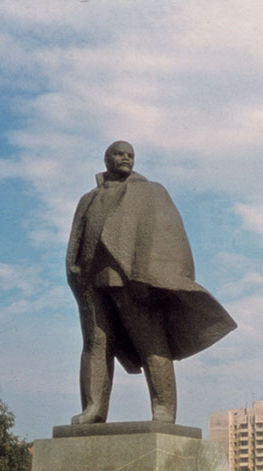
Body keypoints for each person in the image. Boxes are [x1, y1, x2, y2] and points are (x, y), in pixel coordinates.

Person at [66, 141, 236, 424]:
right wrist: (73, 270)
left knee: (151, 343)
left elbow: (165, 236)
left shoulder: (150, 191)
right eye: (119, 154)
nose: (126, 158)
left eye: (130, 155)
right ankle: (93, 409)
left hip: (131, 278)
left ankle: (163, 409)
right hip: (91, 280)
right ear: (106, 159)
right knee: (95, 344)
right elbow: (77, 238)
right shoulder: (88, 199)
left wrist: (149, 275)